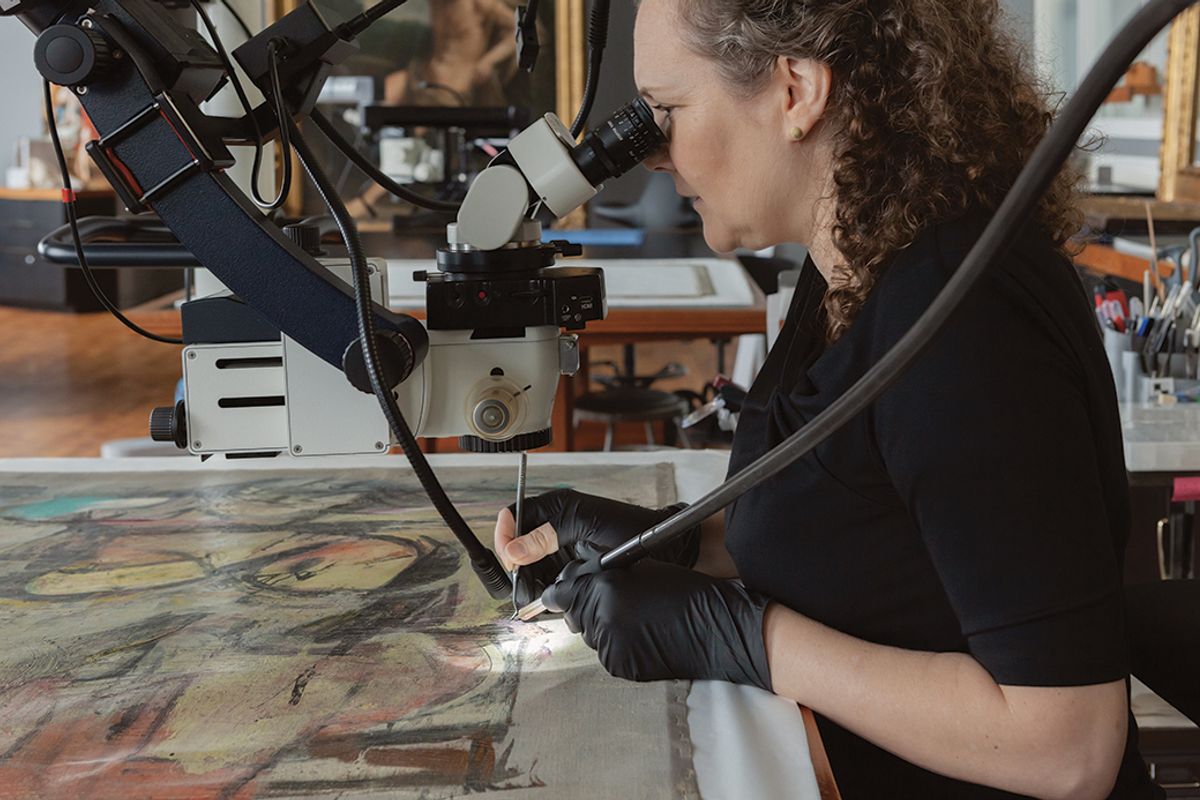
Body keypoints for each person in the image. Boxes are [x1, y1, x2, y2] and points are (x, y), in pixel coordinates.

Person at [494, 1, 1162, 798]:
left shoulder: (962, 322)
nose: (653, 158)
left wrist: (745, 639)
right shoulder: (858, 259)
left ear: (796, 91)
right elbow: (864, 526)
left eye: (665, 111)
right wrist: (677, 543)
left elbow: (1069, 747)